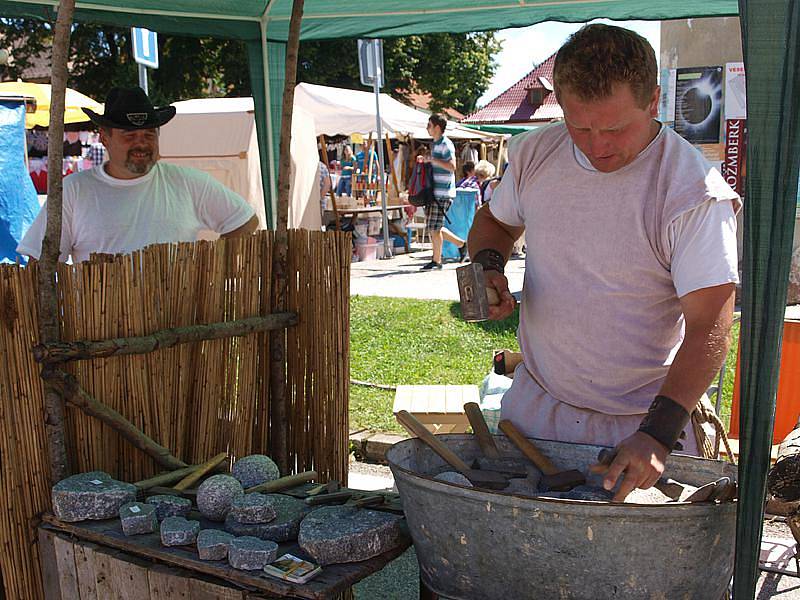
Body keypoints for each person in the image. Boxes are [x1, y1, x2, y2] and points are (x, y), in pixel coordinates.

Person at [467, 24, 740, 501]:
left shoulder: (690, 191)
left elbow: (710, 327)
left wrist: (658, 434)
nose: (596, 146)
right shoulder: (538, 152)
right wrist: (489, 266)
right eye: (580, 126)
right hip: (537, 405)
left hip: (642, 422)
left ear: (655, 101)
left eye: (614, 128)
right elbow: (496, 223)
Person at [18, 87, 258, 263]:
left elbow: (245, 220)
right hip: (102, 326)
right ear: (104, 138)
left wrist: (211, 265)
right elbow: (40, 260)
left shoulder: (187, 182)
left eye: (148, 135)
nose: (141, 144)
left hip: (178, 324)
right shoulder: (73, 190)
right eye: (129, 136)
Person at [419, 114, 467, 269]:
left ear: (437, 127)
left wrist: (432, 160)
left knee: (434, 228)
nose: (427, 128)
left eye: (429, 125)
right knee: (435, 227)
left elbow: (452, 166)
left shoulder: (446, 144)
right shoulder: (437, 144)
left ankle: (437, 261)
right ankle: (461, 244)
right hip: (436, 192)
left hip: (443, 193)